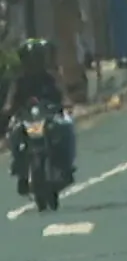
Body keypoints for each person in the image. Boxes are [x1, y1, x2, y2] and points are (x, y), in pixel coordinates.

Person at [5, 39, 75, 194]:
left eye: (36, 59)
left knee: (67, 126)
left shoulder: (51, 77)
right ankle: (19, 168)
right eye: (30, 59)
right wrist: (8, 108)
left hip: (50, 115)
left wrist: (66, 102)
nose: (33, 63)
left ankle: (66, 165)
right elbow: (10, 101)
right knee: (14, 132)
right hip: (25, 117)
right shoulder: (19, 81)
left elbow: (63, 94)